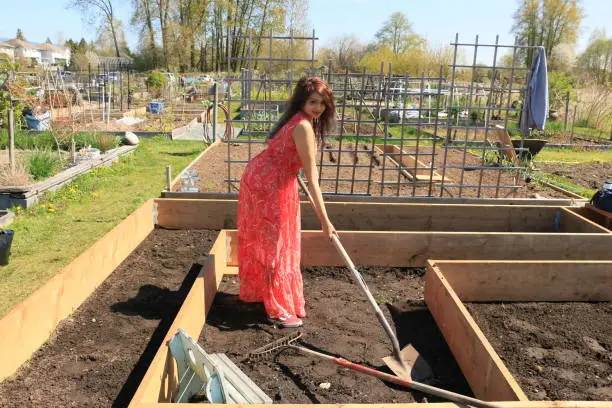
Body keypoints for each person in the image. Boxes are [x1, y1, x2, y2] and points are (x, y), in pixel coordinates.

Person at [237, 77, 337, 328]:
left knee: (268, 241)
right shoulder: (302, 127)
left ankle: (265, 294)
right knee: (274, 245)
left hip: (267, 179)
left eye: (323, 103)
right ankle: (276, 309)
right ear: (301, 101)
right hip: (268, 186)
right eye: (313, 101)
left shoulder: (297, 121)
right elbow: (313, 180)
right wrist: (325, 222)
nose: (318, 108)